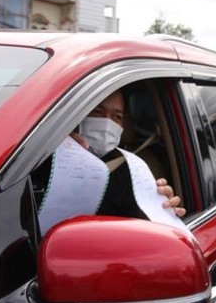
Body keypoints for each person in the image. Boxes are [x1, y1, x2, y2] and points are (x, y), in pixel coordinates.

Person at [71, 88, 185, 219]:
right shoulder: (49, 154)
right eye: (97, 112)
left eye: (117, 117)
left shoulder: (132, 173)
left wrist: (164, 210)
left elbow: (143, 228)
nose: (107, 123)